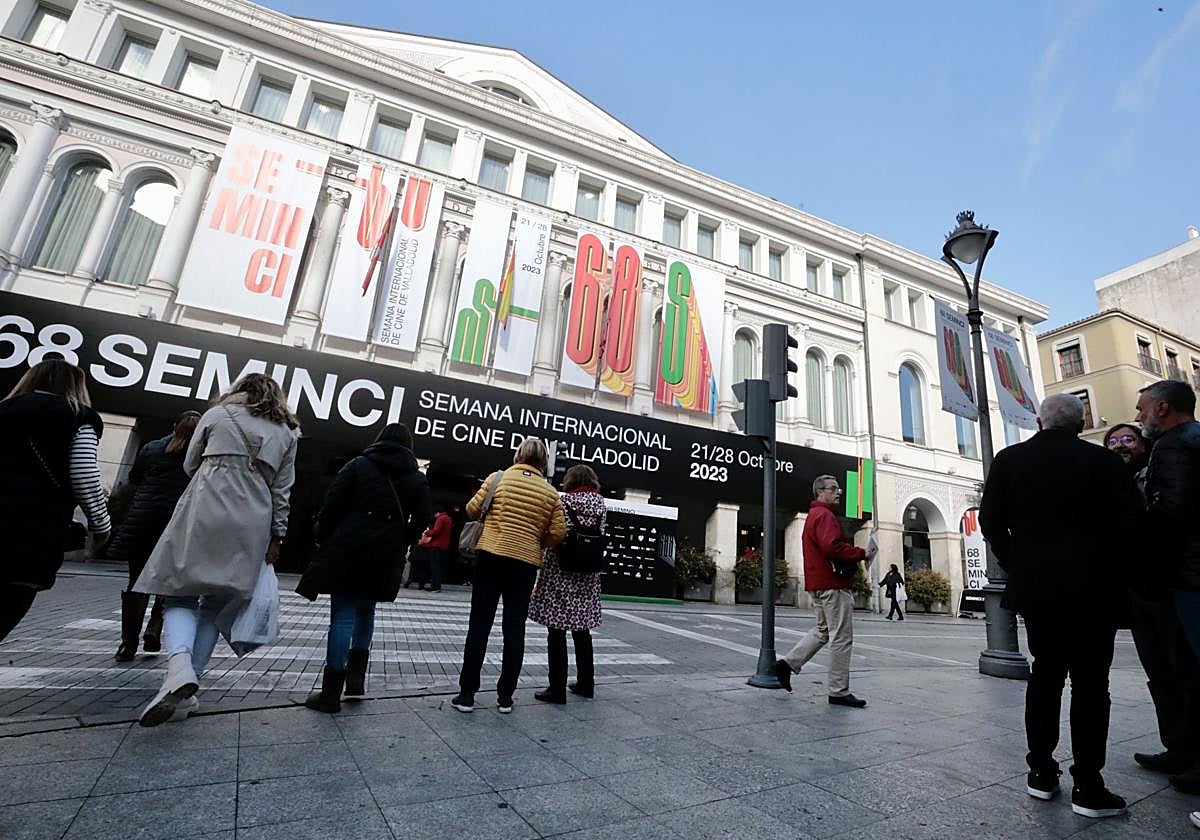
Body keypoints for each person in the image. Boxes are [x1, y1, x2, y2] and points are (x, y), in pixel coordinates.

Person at [979, 393, 1140, 819]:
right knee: (1091, 684)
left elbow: (990, 521)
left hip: (1038, 588)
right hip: (1094, 587)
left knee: (1045, 676)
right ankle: (1089, 784)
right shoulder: (1106, 464)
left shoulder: (1010, 460)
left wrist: (1018, 560)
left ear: (1039, 420)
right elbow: (1130, 526)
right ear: (1082, 421)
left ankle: (1041, 772)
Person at [134, 373, 300, 727]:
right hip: (253, 521)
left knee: (178, 594)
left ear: (239, 390)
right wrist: (277, 536)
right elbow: (283, 490)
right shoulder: (287, 431)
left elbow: (189, 463)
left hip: (205, 507)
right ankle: (188, 686)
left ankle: (178, 667)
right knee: (213, 603)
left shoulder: (216, 415)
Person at [297, 423, 431, 712]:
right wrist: (403, 538)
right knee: (366, 610)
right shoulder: (416, 478)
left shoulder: (358, 466)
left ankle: (330, 692)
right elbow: (423, 518)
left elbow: (333, 503)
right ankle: (356, 680)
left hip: (349, 547)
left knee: (343, 615)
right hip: (385, 553)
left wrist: (323, 535)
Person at [1106, 419, 1200, 781]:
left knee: (1186, 670)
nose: (1120, 445)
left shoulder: (1157, 471)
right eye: (1112, 441)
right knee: (1159, 672)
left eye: (1128, 438)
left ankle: (1194, 752)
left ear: (1143, 444)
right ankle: (1177, 748)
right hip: (1138, 587)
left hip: (1168, 583)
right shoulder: (1113, 482)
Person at [451, 438, 566, 714]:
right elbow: (558, 533)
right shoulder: (550, 493)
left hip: (491, 555)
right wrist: (537, 541)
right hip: (525, 563)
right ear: (543, 461)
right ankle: (505, 697)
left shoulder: (497, 479)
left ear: (519, 455)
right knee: (514, 629)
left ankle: (467, 694)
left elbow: (472, 509)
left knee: (479, 625)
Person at [0, 360, 111, 642]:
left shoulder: (4, 408)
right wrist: (101, 525)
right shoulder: (79, 417)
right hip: (31, 532)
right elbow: (85, 474)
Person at [1135, 380, 1200, 807]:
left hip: (1186, 576)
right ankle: (1183, 751)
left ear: (1161, 408)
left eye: (1141, 409)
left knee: (1191, 670)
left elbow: (1168, 512)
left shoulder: (1175, 447)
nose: (1138, 416)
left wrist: (1135, 539)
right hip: (1186, 573)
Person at [773, 475, 873, 707]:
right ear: (820, 491)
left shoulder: (813, 515)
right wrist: (860, 553)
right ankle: (838, 691)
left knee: (823, 630)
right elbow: (831, 547)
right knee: (841, 637)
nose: (839, 492)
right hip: (833, 585)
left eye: (839, 489)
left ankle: (787, 665)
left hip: (818, 584)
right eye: (834, 489)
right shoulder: (825, 515)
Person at [109, 411, 202, 661]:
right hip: (177, 524)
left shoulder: (152, 448)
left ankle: (127, 644)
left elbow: (134, 478)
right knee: (169, 579)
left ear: (174, 426)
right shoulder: (202, 455)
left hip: (144, 521)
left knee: (136, 581)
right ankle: (155, 625)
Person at [529, 465, 606, 704]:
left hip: (561, 572)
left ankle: (557, 688)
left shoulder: (564, 502)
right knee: (582, 631)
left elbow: (555, 532)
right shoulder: (601, 505)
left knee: (556, 630)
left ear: (570, 481)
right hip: (587, 575)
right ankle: (586, 683)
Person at [420, 505, 454, 592]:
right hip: (445, 546)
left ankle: (435, 586)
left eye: (434, 515)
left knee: (435, 567)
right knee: (439, 567)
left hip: (437, 545)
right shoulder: (448, 519)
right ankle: (437, 586)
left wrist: (427, 532)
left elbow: (436, 531)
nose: (434, 517)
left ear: (437, 513)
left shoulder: (441, 518)